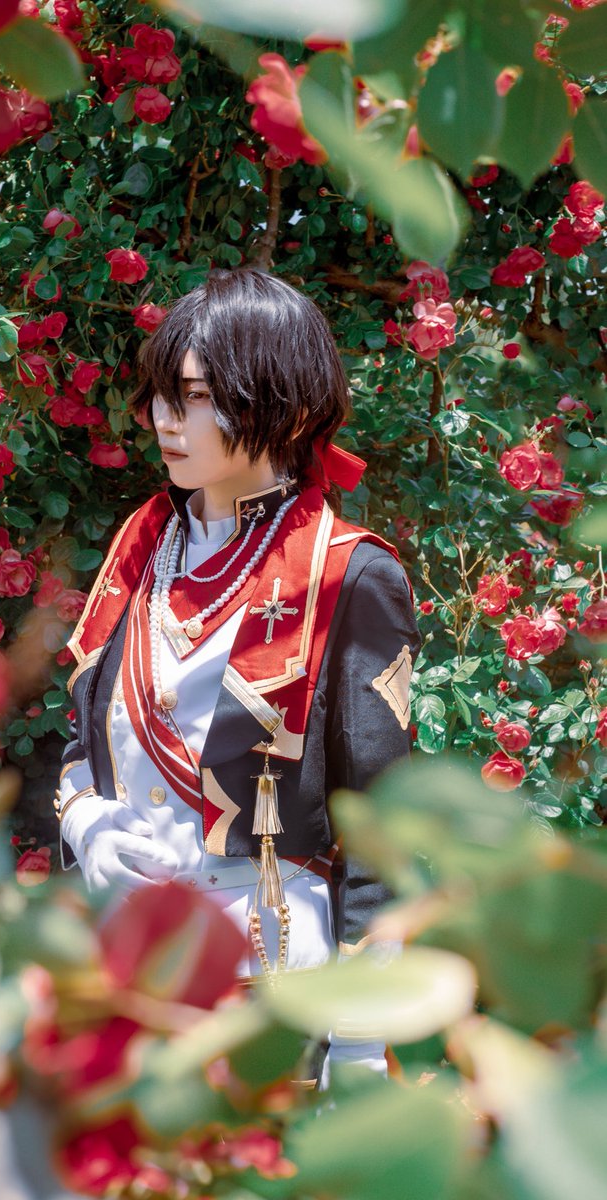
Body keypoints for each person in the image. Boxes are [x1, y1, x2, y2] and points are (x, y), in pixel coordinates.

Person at [54, 268, 420, 1074]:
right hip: (117, 968)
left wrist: (360, 1041)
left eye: (193, 398)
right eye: (160, 396)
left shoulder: (350, 574)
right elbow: (84, 742)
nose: (163, 419)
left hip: (269, 988)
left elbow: (381, 827)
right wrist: (88, 823)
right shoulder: (142, 551)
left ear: (282, 406)